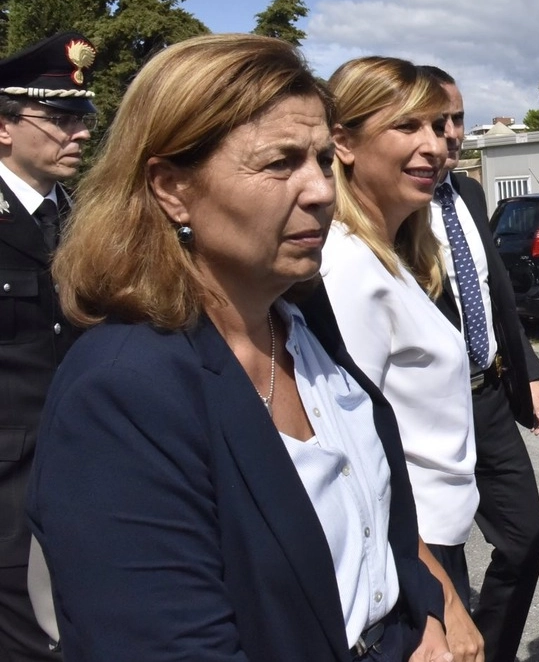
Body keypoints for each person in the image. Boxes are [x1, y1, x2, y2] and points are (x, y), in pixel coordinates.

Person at [28, 34, 449, 661]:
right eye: (280, 163)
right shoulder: (124, 390)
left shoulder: (301, 318)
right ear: (172, 188)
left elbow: (381, 525)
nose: (320, 191)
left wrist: (427, 620)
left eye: (318, 161)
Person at [315, 56, 485, 660]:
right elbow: (355, 464)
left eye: (438, 127)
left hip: (435, 539)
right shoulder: (349, 268)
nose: (434, 146)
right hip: (413, 551)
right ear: (345, 142)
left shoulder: (390, 253)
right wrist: (440, 604)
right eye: (407, 127)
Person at [417, 65, 539, 662]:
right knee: (442, 557)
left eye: (456, 119)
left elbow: (495, 291)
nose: (449, 134)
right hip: (429, 407)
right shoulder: (393, 203)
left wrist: (530, 370)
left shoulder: (469, 193)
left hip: (490, 392)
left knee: (526, 538)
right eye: (435, 121)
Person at [0, 32, 92, 661]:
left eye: (84, 116)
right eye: (59, 118)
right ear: (4, 127)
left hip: (82, 469)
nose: (79, 132)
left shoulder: (84, 216)